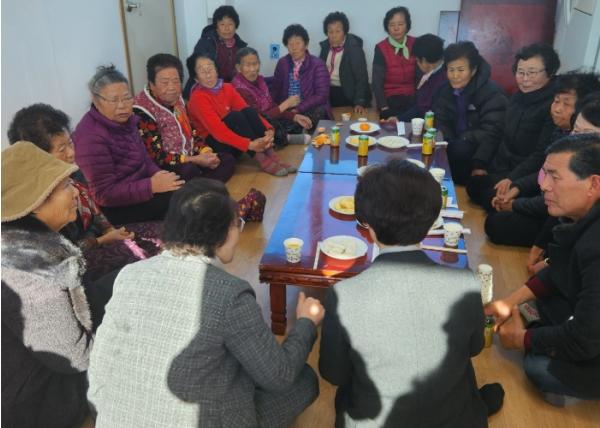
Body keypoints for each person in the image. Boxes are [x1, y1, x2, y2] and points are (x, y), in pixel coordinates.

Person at [88, 178, 324, 427]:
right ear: (223, 233)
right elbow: (279, 376)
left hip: (113, 418)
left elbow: (100, 367)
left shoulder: (129, 275)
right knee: (304, 380)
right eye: (237, 224)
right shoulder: (229, 293)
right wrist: (306, 322)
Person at [319, 159, 504, 427]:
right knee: (460, 370)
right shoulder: (465, 283)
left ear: (367, 225)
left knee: (347, 391)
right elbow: (474, 348)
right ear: (430, 223)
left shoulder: (343, 294)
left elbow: (333, 374)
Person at [485, 134, 600, 406]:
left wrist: (522, 339)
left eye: (554, 177)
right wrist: (509, 301)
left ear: (593, 184)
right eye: (544, 174)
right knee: (541, 306)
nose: (544, 186)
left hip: (590, 340)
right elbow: (560, 268)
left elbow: (584, 340)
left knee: (538, 368)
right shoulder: (581, 216)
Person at [7, 103, 162, 282]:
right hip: (79, 260)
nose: (71, 153)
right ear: (38, 156)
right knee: (141, 264)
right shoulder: (39, 200)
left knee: (162, 235)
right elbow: (65, 253)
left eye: (70, 142)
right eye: (61, 149)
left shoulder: (72, 172)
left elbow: (94, 210)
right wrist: (103, 240)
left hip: (99, 236)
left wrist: (109, 229)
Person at [2, 141, 94, 427]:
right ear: (36, 203)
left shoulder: (18, 242)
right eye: (66, 185)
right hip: (42, 403)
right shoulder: (30, 270)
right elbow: (75, 357)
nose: (75, 192)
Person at [484, 79, 600, 248]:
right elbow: (543, 175)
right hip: (550, 208)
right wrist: (517, 186)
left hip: (553, 213)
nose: (577, 139)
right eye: (576, 131)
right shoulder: (562, 137)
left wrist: (515, 204)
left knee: (497, 222)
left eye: (587, 134)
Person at [73, 65, 184, 224]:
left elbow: (145, 159)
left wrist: (158, 175)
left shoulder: (128, 120)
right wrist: (151, 186)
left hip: (141, 187)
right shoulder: (90, 137)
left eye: (126, 98)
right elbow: (104, 195)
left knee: (186, 189)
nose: (122, 106)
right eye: (114, 100)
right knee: (181, 204)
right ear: (96, 100)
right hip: (117, 207)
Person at [466, 43, 561, 211]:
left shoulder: (553, 106)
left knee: (487, 195)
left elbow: (541, 154)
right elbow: (497, 130)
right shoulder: (518, 97)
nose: (524, 79)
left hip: (524, 173)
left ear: (550, 72)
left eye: (532, 73)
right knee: (469, 176)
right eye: (520, 72)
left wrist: (513, 178)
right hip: (501, 164)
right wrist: (479, 163)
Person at [134, 53, 236, 182]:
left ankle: (199, 187)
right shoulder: (141, 110)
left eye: (176, 81)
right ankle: (203, 186)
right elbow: (157, 157)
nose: (172, 87)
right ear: (151, 84)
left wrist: (205, 152)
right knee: (189, 171)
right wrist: (195, 160)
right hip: (166, 166)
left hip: (190, 157)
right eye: (165, 82)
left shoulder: (178, 98)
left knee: (227, 160)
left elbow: (192, 131)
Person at [187, 54, 295, 176]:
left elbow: (247, 109)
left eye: (210, 68)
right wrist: (250, 145)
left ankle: (272, 155)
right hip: (216, 146)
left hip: (235, 141)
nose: (208, 75)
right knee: (235, 117)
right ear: (196, 78)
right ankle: (261, 158)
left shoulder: (227, 87)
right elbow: (218, 132)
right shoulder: (198, 98)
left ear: (216, 70)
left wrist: (269, 129)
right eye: (202, 71)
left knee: (248, 111)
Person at [434, 41, 508, 184]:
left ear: (473, 70)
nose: (455, 75)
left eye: (461, 70)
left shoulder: (492, 93)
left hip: (481, 151)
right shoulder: (445, 90)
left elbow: (492, 132)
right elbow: (441, 120)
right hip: (455, 144)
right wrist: (446, 140)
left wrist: (461, 140)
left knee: (459, 149)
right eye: (451, 70)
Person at [232, 47, 312, 146]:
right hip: (256, 124)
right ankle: (286, 138)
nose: (252, 69)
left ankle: (289, 132)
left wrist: (294, 116)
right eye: (247, 65)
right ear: (238, 68)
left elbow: (272, 106)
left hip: (270, 117)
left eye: (255, 64)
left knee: (299, 114)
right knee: (269, 126)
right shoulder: (239, 89)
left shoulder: (260, 81)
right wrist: (285, 105)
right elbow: (259, 118)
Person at [270, 24, 332, 130]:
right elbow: (276, 90)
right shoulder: (282, 63)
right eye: (290, 44)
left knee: (318, 111)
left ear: (306, 44)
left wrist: (298, 109)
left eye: (298, 43)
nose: (294, 48)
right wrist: (277, 109)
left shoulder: (318, 64)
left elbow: (321, 95)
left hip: (309, 108)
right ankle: (294, 130)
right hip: (288, 109)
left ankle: (291, 130)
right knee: (272, 118)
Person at [183, 5, 247, 98]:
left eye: (230, 24)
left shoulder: (240, 47)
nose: (227, 28)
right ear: (216, 27)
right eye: (222, 24)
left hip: (228, 90)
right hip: (204, 88)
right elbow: (196, 69)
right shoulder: (206, 42)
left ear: (235, 26)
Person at [318, 11, 370, 115]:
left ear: (345, 31)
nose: (334, 35)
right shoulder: (325, 47)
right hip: (328, 91)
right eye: (330, 31)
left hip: (348, 93)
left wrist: (359, 102)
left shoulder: (354, 49)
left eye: (338, 31)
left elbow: (362, 78)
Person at [372, 7, 417, 120]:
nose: (396, 28)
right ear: (387, 27)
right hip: (391, 100)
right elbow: (377, 82)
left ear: (407, 25)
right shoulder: (381, 48)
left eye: (400, 24)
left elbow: (422, 76)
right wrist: (384, 107)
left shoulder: (416, 43)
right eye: (392, 25)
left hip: (414, 99)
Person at [394, 33, 447, 122]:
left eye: (417, 61)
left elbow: (423, 109)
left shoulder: (442, 80)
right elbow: (420, 105)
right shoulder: (435, 73)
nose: (417, 64)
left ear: (425, 60)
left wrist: (401, 119)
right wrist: (399, 119)